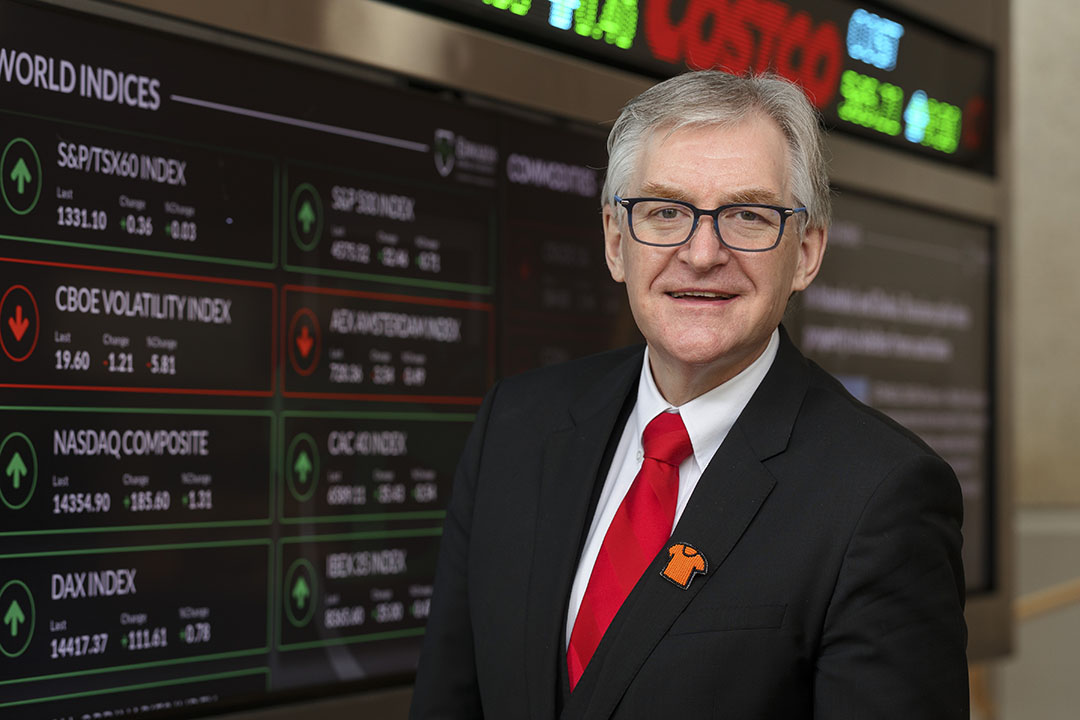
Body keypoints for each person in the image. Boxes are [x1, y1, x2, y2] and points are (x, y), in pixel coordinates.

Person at [410, 71, 968, 719]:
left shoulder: (883, 495)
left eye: (749, 216)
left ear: (807, 253)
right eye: (665, 212)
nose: (702, 253)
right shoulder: (516, 425)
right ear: (616, 242)